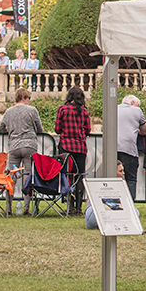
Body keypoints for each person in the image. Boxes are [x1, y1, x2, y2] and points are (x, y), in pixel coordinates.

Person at [54, 85, 93, 215]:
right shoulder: (84, 111)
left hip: (65, 146)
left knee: (66, 175)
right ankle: (79, 208)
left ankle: (69, 205)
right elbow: (88, 130)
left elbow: (57, 129)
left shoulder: (63, 109)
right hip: (80, 147)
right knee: (80, 176)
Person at [0, 87, 45, 168]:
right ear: (23, 98)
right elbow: (40, 128)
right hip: (29, 145)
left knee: (12, 173)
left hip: (14, 145)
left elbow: (1, 129)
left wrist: (10, 131)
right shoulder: (32, 110)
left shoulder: (8, 111)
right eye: (29, 98)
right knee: (29, 173)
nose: (29, 100)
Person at [114, 94, 146, 197]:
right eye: (138, 105)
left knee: (111, 178)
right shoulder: (137, 110)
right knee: (131, 179)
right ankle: (130, 205)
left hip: (112, 148)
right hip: (129, 148)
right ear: (132, 103)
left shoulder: (113, 108)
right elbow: (145, 130)